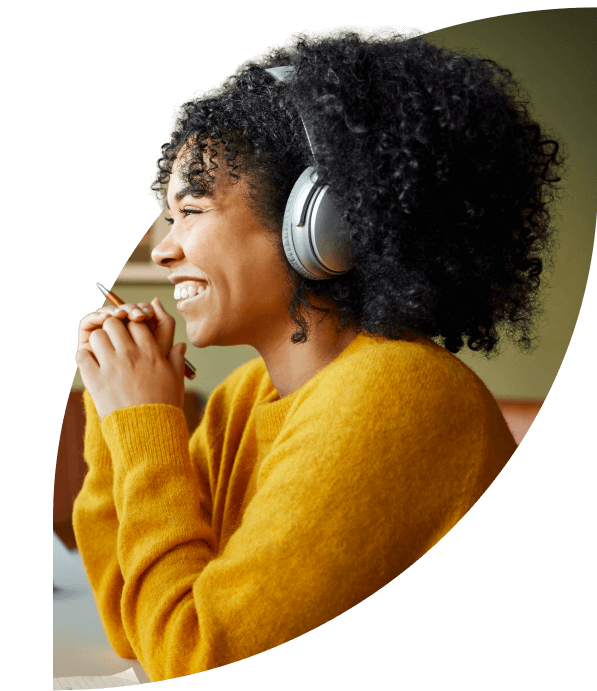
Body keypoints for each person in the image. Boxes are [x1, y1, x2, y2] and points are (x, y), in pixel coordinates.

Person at [73, 30, 566, 680]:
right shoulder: (242, 398)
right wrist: (118, 419)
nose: (165, 248)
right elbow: (134, 627)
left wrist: (145, 420)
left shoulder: (396, 394)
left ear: (317, 221)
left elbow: (195, 658)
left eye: (192, 209)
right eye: (168, 217)